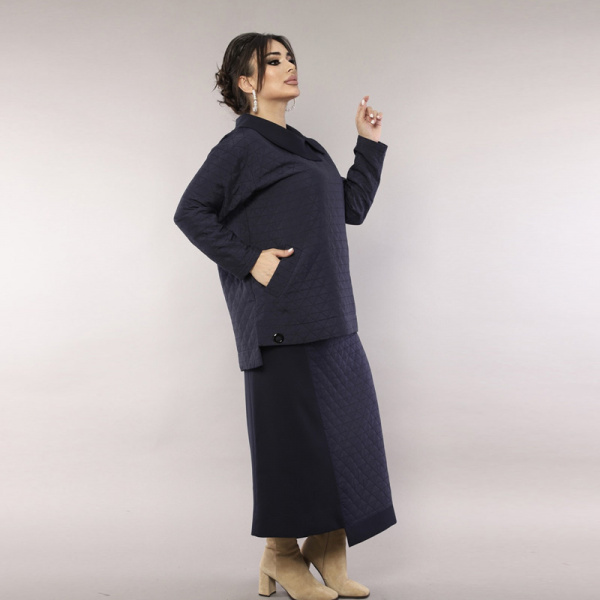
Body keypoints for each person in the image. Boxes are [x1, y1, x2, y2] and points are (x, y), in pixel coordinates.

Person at [174, 32, 396, 600]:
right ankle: (281, 556)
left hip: (333, 314)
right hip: (280, 322)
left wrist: (367, 143)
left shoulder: (308, 147)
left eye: (291, 57)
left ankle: (327, 548)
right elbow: (191, 211)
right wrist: (250, 260)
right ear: (247, 82)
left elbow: (351, 208)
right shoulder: (241, 147)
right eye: (273, 61)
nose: (289, 66)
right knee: (290, 447)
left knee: (347, 437)